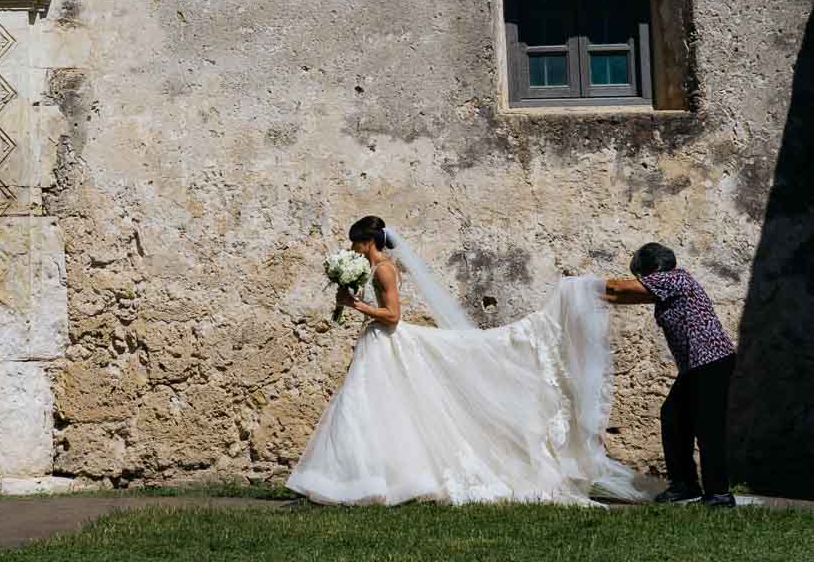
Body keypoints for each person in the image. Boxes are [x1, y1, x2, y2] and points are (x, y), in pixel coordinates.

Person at [286, 215, 646, 505]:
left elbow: (393, 315)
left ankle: (355, 482)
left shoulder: (383, 268)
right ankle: (356, 479)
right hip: (376, 342)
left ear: (368, 242)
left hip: (385, 340)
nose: (352, 249)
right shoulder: (374, 267)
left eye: (355, 242)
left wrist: (355, 306)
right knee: (371, 408)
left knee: (366, 405)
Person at [604, 242, 737, 508]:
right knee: (673, 418)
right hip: (696, 366)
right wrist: (597, 295)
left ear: (653, 269)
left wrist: (583, 286)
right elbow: (621, 296)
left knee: (708, 427)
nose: (642, 280)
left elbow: (620, 289)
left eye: (642, 274)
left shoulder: (675, 278)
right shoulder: (666, 287)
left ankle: (719, 495)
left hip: (711, 362)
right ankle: (685, 484)